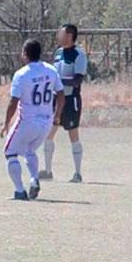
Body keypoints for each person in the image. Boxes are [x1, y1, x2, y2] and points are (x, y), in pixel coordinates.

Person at [1, 39, 65, 200]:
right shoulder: (51, 70)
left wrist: (6, 123)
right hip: (46, 122)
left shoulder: (21, 74)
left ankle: (19, 190)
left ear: (25, 54)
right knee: (29, 150)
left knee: (10, 152)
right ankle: (34, 178)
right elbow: (61, 94)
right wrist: (57, 115)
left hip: (27, 121)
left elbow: (13, 102)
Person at [41, 23, 88, 183]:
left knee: (73, 134)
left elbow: (77, 80)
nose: (58, 37)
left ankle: (77, 173)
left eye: (61, 34)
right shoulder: (58, 53)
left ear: (69, 36)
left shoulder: (79, 55)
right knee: (49, 134)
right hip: (55, 100)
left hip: (70, 100)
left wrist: (58, 81)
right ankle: (48, 171)